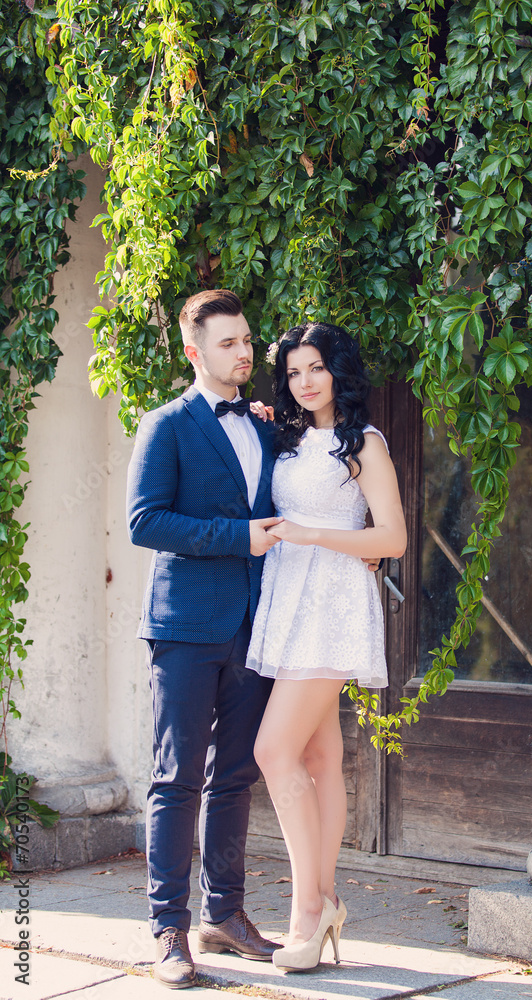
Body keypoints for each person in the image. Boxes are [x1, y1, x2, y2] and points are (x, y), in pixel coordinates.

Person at [126, 289, 286, 989]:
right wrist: (236, 538)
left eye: (247, 340)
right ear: (194, 351)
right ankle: (169, 931)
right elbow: (145, 522)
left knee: (237, 775)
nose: (244, 352)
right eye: (227, 343)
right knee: (176, 777)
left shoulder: (264, 425)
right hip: (185, 628)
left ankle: (225, 913)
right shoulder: (165, 425)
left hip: (254, 626)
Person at [245, 321, 407, 972]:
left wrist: (314, 535)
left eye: (315, 368)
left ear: (339, 369)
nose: (305, 381)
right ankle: (328, 901)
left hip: (331, 603)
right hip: (290, 599)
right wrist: (258, 417)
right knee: (316, 753)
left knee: (272, 750)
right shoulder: (285, 436)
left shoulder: (362, 443)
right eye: (292, 372)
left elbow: (390, 538)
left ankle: (307, 914)